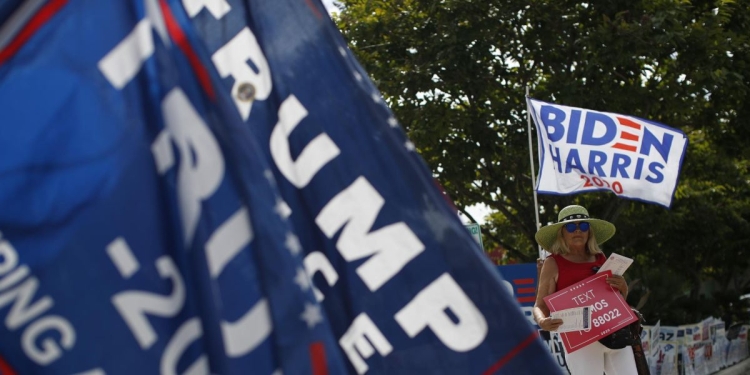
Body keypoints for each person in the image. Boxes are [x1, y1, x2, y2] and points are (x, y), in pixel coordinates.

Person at [533, 205, 635, 375]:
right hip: (579, 338)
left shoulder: (600, 257)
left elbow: (614, 300)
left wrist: (623, 288)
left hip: (614, 331)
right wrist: (543, 322)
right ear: (562, 233)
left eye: (584, 226)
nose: (578, 231)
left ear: (589, 232)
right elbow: (539, 306)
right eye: (571, 227)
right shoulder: (552, 263)